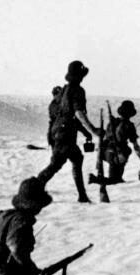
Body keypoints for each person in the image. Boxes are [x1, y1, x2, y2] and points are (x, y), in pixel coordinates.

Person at [37, 60, 101, 203]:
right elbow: (78, 113)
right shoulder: (77, 90)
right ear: (80, 76)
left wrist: (85, 132)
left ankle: (82, 196)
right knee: (56, 164)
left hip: (57, 133)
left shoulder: (63, 91)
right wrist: (93, 130)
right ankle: (34, 189)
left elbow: (56, 112)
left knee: (76, 158)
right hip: (65, 135)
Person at [100, 100, 140, 184]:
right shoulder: (129, 125)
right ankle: (95, 179)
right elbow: (136, 146)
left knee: (116, 180)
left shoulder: (112, 122)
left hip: (106, 153)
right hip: (118, 155)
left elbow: (105, 139)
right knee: (114, 181)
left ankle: (109, 178)